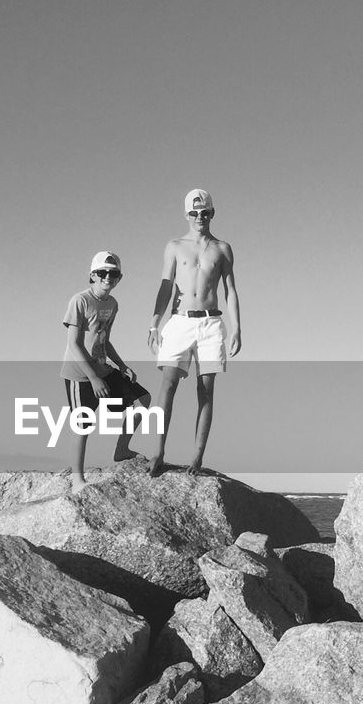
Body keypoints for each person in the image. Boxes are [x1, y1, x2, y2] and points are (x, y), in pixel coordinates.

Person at [147, 189, 241, 475]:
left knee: (206, 391)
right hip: (180, 322)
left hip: (211, 324)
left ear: (212, 213)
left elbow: (230, 289)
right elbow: (166, 285)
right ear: (186, 214)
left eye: (205, 212)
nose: (200, 217)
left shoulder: (222, 248)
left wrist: (237, 327)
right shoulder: (174, 246)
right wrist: (154, 323)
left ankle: (197, 458)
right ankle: (158, 452)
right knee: (168, 385)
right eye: (194, 212)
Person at [61, 251, 151, 492]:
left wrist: (122, 365)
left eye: (113, 273)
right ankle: (77, 479)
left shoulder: (112, 304)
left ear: (119, 277)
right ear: (92, 275)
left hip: (102, 369)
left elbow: (105, 340)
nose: (107, 277)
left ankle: (121, 450)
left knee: (143, 400)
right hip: (79, 373)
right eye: (102, 273)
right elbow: (74, 344)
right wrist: (92, 378)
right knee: (83, 424)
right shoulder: (79, 300)